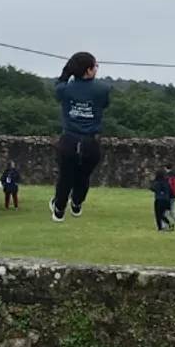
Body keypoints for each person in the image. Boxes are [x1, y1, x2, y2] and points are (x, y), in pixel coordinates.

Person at [49, 51, 111, 223]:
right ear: (88, 71)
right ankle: (76, 202)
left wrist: (67, 71)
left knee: (65, 176)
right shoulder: (102, 90)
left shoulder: (65, 89)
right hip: (91, 141)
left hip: (69, 139)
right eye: (95, 66)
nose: (96, 69)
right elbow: (104, 104)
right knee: (83, 176)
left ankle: (59, 208)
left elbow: (59, 85)